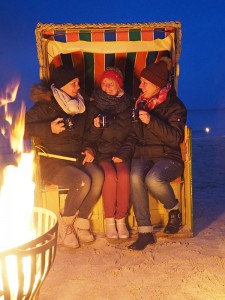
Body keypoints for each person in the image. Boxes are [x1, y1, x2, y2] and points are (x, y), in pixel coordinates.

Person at [25, 65, 104, 249]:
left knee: (98, 176)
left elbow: (88, 135)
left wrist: (90, 149)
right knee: (82, 181)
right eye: (73, 83)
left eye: (77, 82)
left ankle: (82, 222)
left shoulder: (81, 106)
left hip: (76, 157)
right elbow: (20, 127)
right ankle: (66, 226)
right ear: (61, 87)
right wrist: (48, 129)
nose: (78, 86)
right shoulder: (46, 106)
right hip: (53, 161)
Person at [113, 57, 187, 250]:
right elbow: (133, 136)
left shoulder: (175, 106)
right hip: (143, 155)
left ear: (157, 85)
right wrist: (122, 153)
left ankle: (173, 209)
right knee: (135, 175)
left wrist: (151, 121)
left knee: (153, 178)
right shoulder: (139, 105)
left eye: (145, 82)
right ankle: (145, 233)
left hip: (169, 157)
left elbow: (175, 139)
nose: (140, 86)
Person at [85, 67, 133, 240]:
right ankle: (109, 220)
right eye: (104, 83)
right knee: (110, 176)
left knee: (125, 174)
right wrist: (96, 127)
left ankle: (121, 219)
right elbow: (89, 137)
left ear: (119, 85)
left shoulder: (129, 105)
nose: (107, 87)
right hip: (103, 153)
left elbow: (133, 135)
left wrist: (123, 153)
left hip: (122, 152)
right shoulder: (93, 105)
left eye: (111, 83)